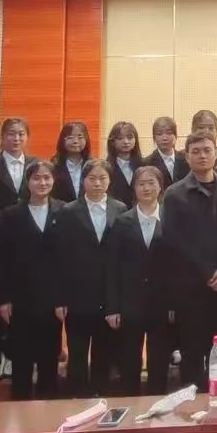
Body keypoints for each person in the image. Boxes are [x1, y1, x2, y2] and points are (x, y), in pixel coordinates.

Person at [161, 131, 217, 391]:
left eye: (207, 150)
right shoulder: (174, 194)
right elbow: (174, 239)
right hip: (190, 289)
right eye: (195, 151)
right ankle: (191, 408)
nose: (202, 156)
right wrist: (207, 271)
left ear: (216, 154)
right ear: (186, 156)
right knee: (192, 353)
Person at [0, 160, 64, 400]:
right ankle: (21, 414)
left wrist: (64, 298)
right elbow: (0, 261)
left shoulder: (64, 211)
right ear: (27, 181)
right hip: (20, 299)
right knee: (21, 362)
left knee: (49, 362)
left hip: (53, 300)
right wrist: (4, 299)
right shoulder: (11, 215)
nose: (42, 182)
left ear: (53, 180)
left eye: (47, 178)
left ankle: (48, 415)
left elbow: (69, 259)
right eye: (36, 178)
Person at [54, 159, 125, 397]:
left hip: (108, 293)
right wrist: (60, 298)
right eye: (92, 178)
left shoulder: (120, 209)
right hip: (78, 295)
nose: (97, 183)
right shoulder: (68, 211)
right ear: (83, 181)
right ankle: (78, 398)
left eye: (102, 178)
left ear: (110, 181)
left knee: (103, 353)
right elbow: (60, 258)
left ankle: (100, 397)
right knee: (77, 353)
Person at [106, 166, 171, 396]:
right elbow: (112, 267)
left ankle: (157, 408)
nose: (146, 188)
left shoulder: (170, 220)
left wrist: (174, 304)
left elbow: (177, 265)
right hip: (129, 303)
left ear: (160, 186)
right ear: (134, 188)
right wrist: (113, 308)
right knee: (130, 362)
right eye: (141, 183)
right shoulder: (122, 221)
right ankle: (130, 407)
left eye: (151, 183)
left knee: (159, 362)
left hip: (162, 304)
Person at [0, 116, 35, 380]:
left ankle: (14, 354)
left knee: (21, 299)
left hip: (26, 238)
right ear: (2, 137)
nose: (16, 138)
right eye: (11, 133)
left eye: (21, 133)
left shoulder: (35, 164)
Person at [50, 121, 90, 204]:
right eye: (70, 137)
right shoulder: (53, 166)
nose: (75, 141)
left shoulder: (92, 165)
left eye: (80, 137)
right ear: (62, 140)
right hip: (61, 210)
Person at [105, 121, 142, 208]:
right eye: (120, 138)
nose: (126, 142)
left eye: (130, 137)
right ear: (112, 141)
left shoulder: (144, 164)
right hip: (116, 212)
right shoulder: (106, 167)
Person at [145, 116, 190, 186]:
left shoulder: (186, 159)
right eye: (159, 134)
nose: (164, 138)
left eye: (169, 133)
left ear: (175, 136)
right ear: (154, 138)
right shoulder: (147, 163)